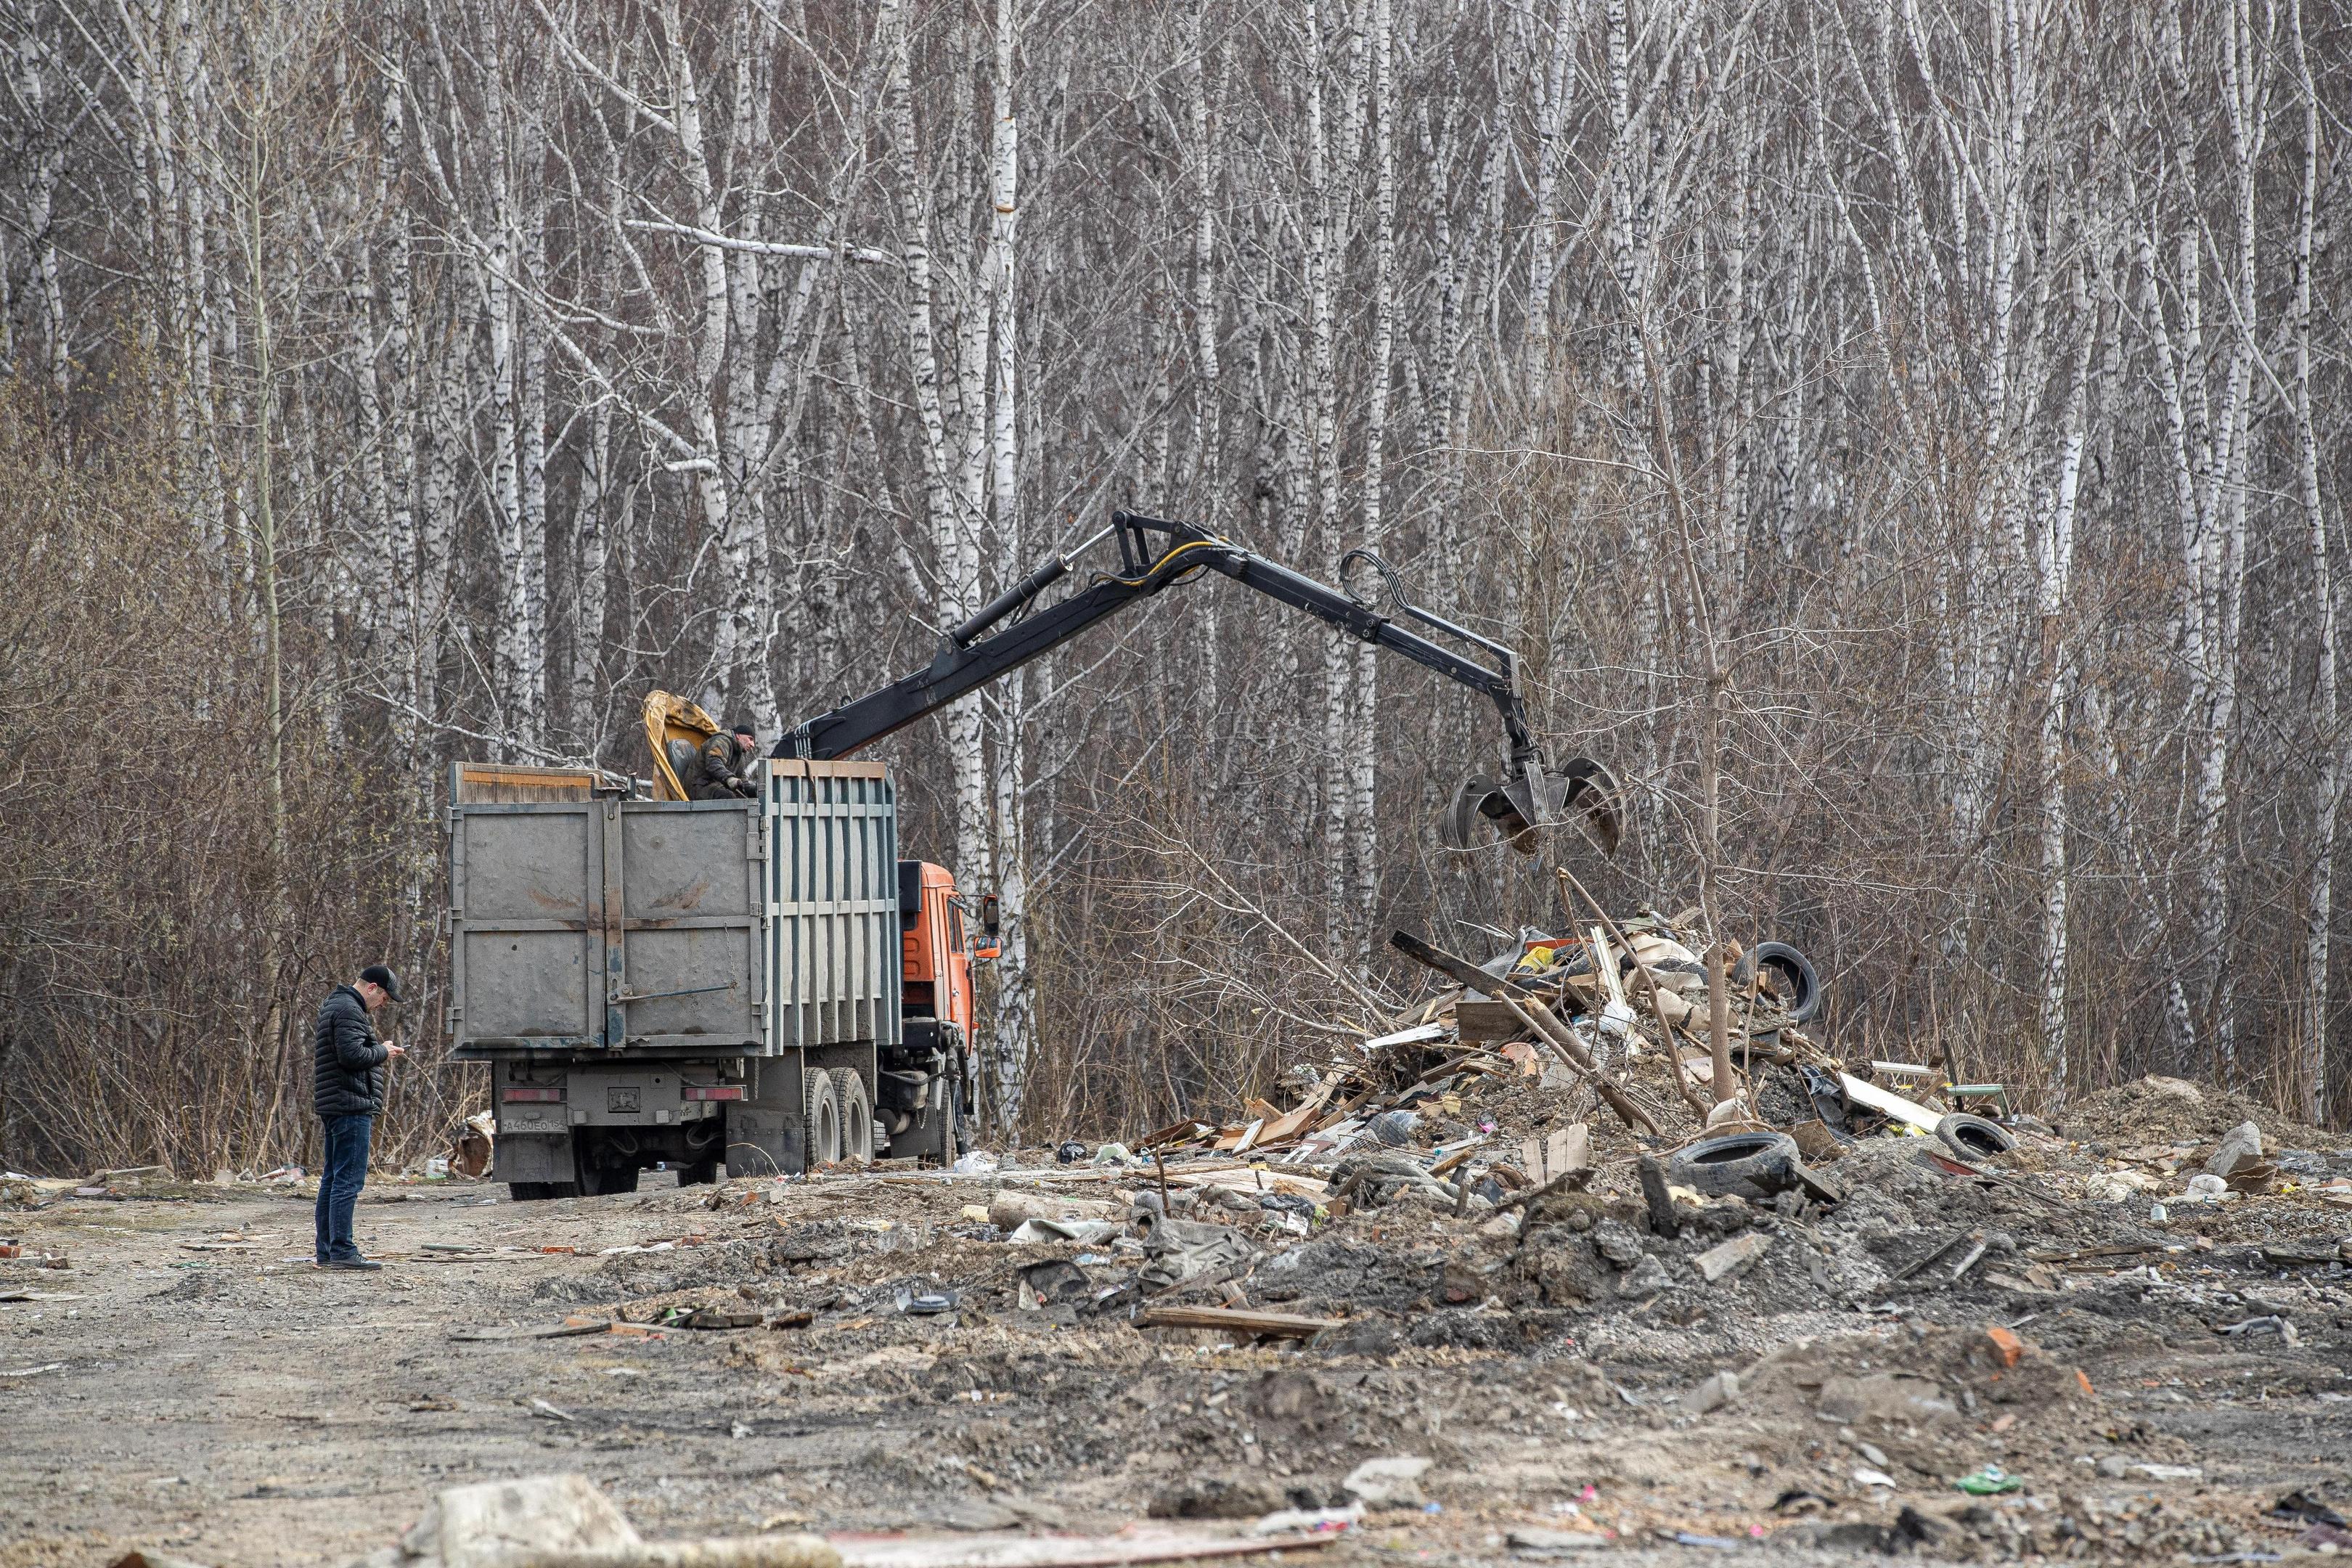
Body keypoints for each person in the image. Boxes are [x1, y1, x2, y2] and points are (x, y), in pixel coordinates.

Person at [312, 964, 406, 1270]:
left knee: (333, 1178)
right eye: (384, 999)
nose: (383, 1005)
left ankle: (328, 1251)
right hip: (350, 1105)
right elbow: (352, 1056)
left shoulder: (335, 1004)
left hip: (337, 1103)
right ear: (372, 988)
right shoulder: (350, 1010)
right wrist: (383, 1051)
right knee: (348, 1181)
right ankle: (342, 1250)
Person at [690, 722, 761, 801]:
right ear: (738, 735)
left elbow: (742, 780)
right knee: (729, 797)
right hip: (700, 787)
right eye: (750, 739)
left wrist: (755, 790)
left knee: (745, 800)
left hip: (716, 788)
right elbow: (713, 764)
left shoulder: (739, 756)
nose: (752, 745)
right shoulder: (721, 741)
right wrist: (729, 778)